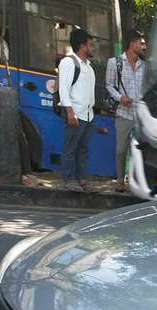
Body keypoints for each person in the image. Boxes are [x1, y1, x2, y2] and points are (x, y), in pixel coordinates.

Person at [105, 30, 146, 192]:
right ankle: (120, 181)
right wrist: (120, 97)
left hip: (141, 116)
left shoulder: (145, 65)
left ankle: (135, 181)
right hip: (123, 114)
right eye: (140, 43)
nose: (144, 46)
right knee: (121, 150)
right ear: (131, 44)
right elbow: (109, 85)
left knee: (138, 151)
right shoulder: (114, 63)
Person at [58, 28, 96, 191]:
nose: (93, 48)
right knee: (70, 149)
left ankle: (81, 180)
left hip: (88, 115)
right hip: (75, 114)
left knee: (82, 150)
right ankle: (68, 180)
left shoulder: (89, 67)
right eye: (91, 45)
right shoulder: (68, 63)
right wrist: (69, 112)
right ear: (82, 46)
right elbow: (63, 89)